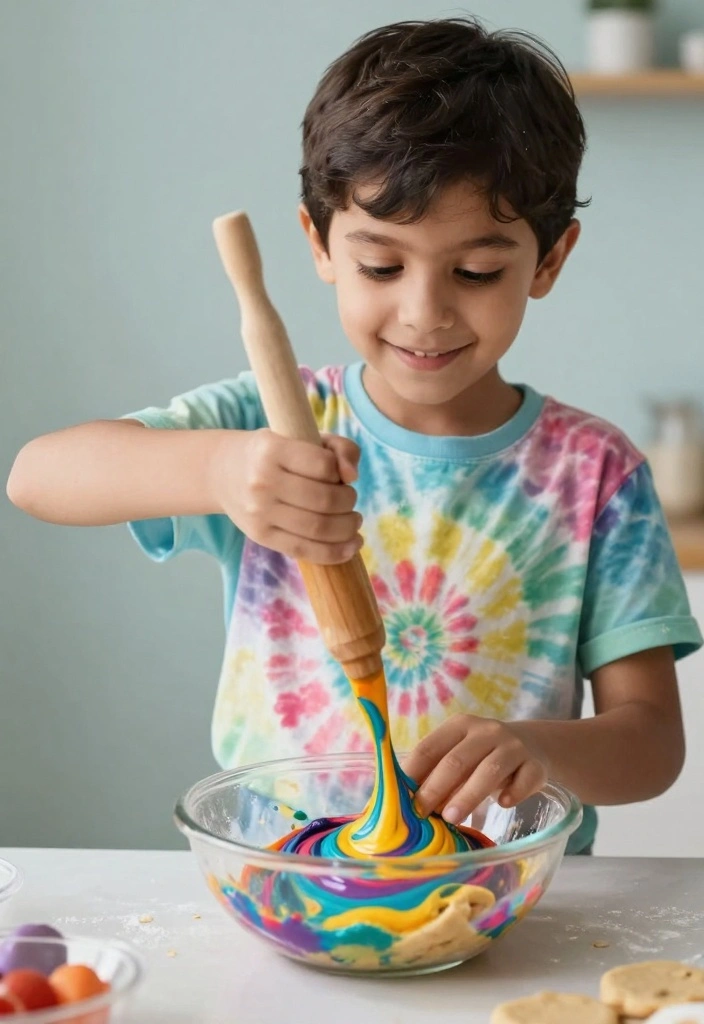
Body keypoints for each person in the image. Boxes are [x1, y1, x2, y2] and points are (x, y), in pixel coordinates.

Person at [7, 17, 701, 855]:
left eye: (476, 272)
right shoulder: (274, 428)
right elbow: (37, 476)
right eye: (381, 265)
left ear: (548, 261)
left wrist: (543, 749)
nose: (425, 311)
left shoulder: (593, 474)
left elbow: (652, 744)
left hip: (498, 901)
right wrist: (222, 471)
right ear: (319, 242)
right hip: (287, 877)